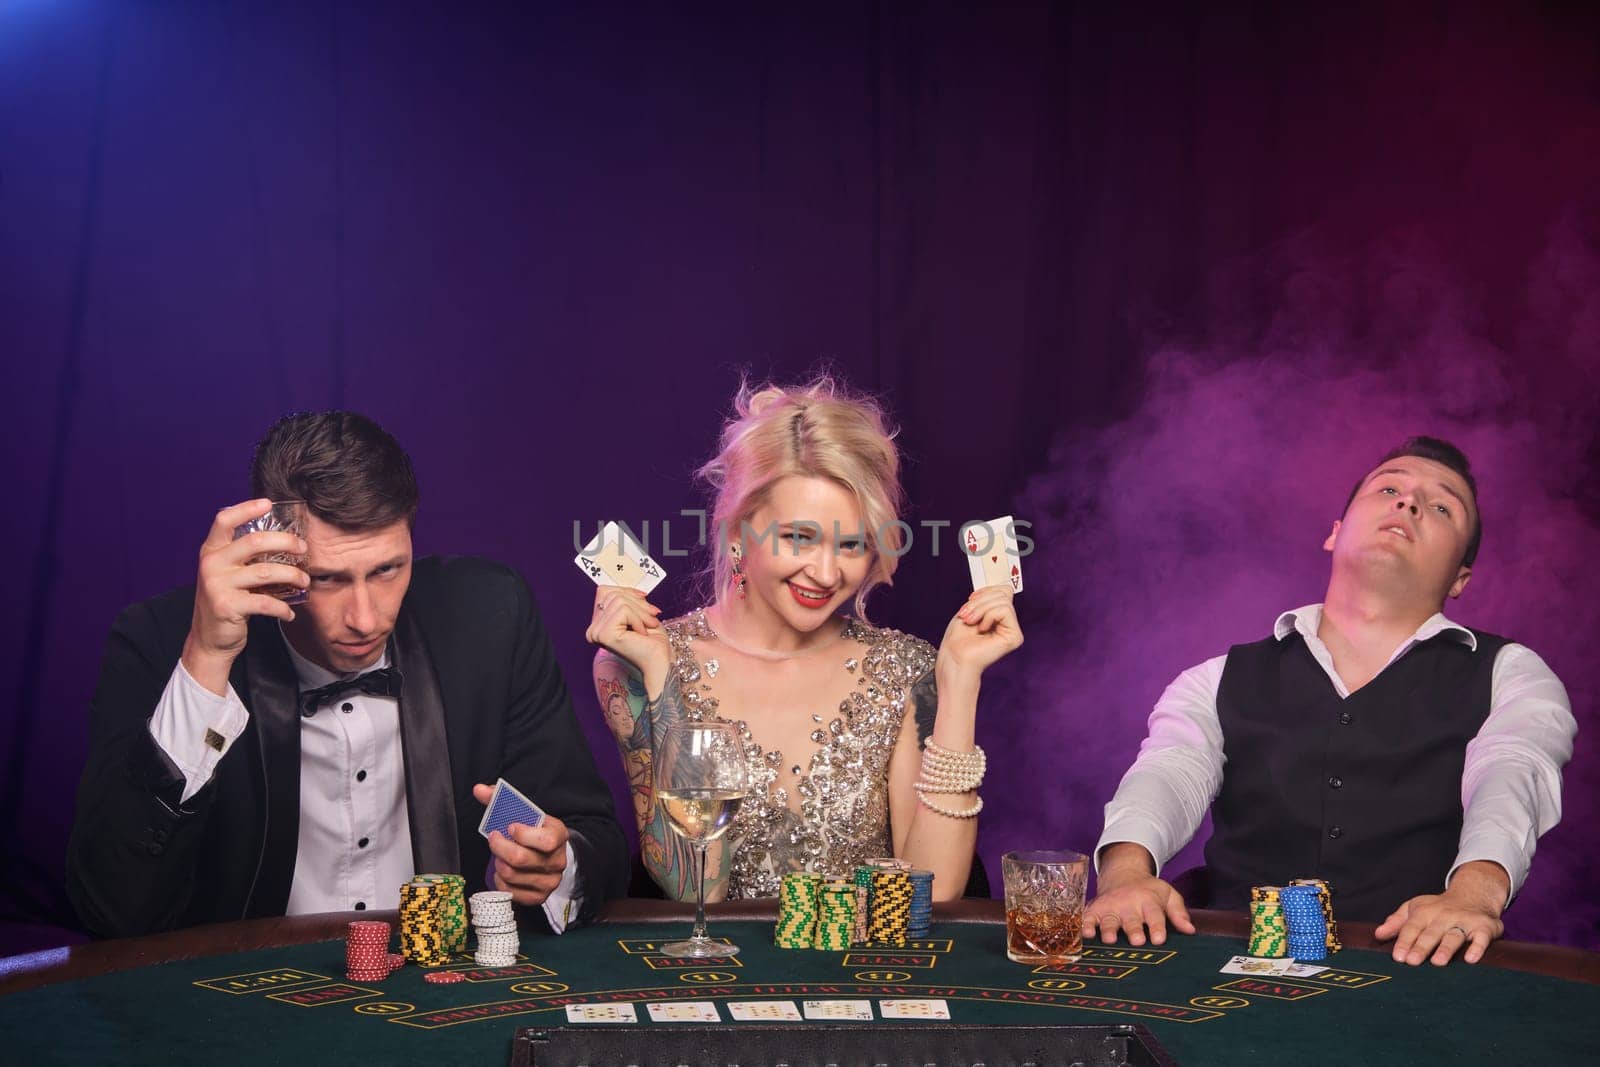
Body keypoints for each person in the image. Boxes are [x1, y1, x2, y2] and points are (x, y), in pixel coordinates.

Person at [67, 412, 628, 938]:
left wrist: (555, 867)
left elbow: (594, 839)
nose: (365, 618)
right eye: (330, 579)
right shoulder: (161, 642)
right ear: (272, 554)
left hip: (444, 996)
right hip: (241, 1007)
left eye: (387, 569)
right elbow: (112, 907)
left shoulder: (488, 617)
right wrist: (208, 659)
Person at [1085, 436, 1574, 966]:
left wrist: (1472, 895)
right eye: (1389, 488)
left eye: (1441, 507)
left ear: (1461, 578)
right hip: (1227, 968)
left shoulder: (1513, 675)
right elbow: (1169, 772)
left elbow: (1512, 773)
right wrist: (1127, 874)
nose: (1408, 503)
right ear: (1335, 534)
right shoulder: (1218, 677)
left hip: (1414, 969)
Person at [587, 377, 1023, 901]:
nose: (825, 572)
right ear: (738, 533)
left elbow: (934, 895)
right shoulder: (637, 664)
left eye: (852, 544)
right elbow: (694, 891)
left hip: (864, 977)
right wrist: (661, 678)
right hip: (717, 978)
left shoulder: (905, 669)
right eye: (798, 537)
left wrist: (960, 679)